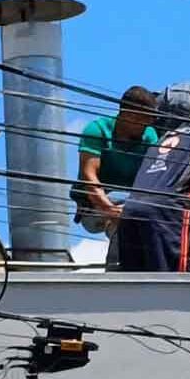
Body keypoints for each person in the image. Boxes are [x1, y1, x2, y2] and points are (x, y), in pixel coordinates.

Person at [117, 107, 190, 272]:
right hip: (165, 215)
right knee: (170, 283)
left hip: (130, 210)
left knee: (132, 284)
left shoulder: (161, 139)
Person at [71, 86, 159, 267]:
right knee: (125, 219)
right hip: (93, 206)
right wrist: (110, 209)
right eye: (144, 121)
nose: (146, 127)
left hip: (130, 202)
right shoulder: (97, 130)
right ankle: (117, 271)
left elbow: (153, 179)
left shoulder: (149, 136)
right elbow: (89, 177)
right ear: (128, 115)